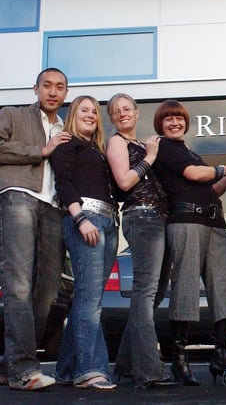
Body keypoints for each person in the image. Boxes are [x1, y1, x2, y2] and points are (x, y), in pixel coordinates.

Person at [152, 100, 226, 386]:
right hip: (185, 222)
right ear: (160, 123)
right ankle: (179, 361)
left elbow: (212, 188)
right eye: (168, 118)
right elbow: (194, 175)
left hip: (215, 222)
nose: (175, 122)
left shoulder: (190, 152)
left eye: (179, 118)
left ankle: (221, 358)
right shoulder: (164, 148)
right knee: (184, 289)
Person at [0, 68, 70, 390]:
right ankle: (23, 370)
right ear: (36, 89)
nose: (53, 92)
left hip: (53, 208)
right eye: (47, 86)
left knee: (47, 292)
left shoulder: (65, 127)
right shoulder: (12, 115)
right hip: (19, 198)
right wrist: (39, 151)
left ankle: (9, 364)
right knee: (19, 286)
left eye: (59, 87)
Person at [106, 93, 177, 389]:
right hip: (142, 216)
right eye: (116, 111)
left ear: (136, 113)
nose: (122, 114)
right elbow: (124, 181)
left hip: (161, 220)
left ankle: (123, 367)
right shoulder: (117, 143)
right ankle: (149, 371)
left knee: (154, 295)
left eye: (127, 109)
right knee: (146, 294)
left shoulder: (142, 143)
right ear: (112, 118)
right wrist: (149, 157)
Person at [50, 95, 119, 390]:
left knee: (86, 299)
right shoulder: (67, 142)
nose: (90, 115)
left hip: (108, 222)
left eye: (94, 111)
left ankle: (66, 370)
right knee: (90, 301)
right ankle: (90, 370)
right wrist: (80, 218)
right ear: (73, 115)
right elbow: (63, 181)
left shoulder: (100, 151)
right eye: (84, 110)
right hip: (85, 219)